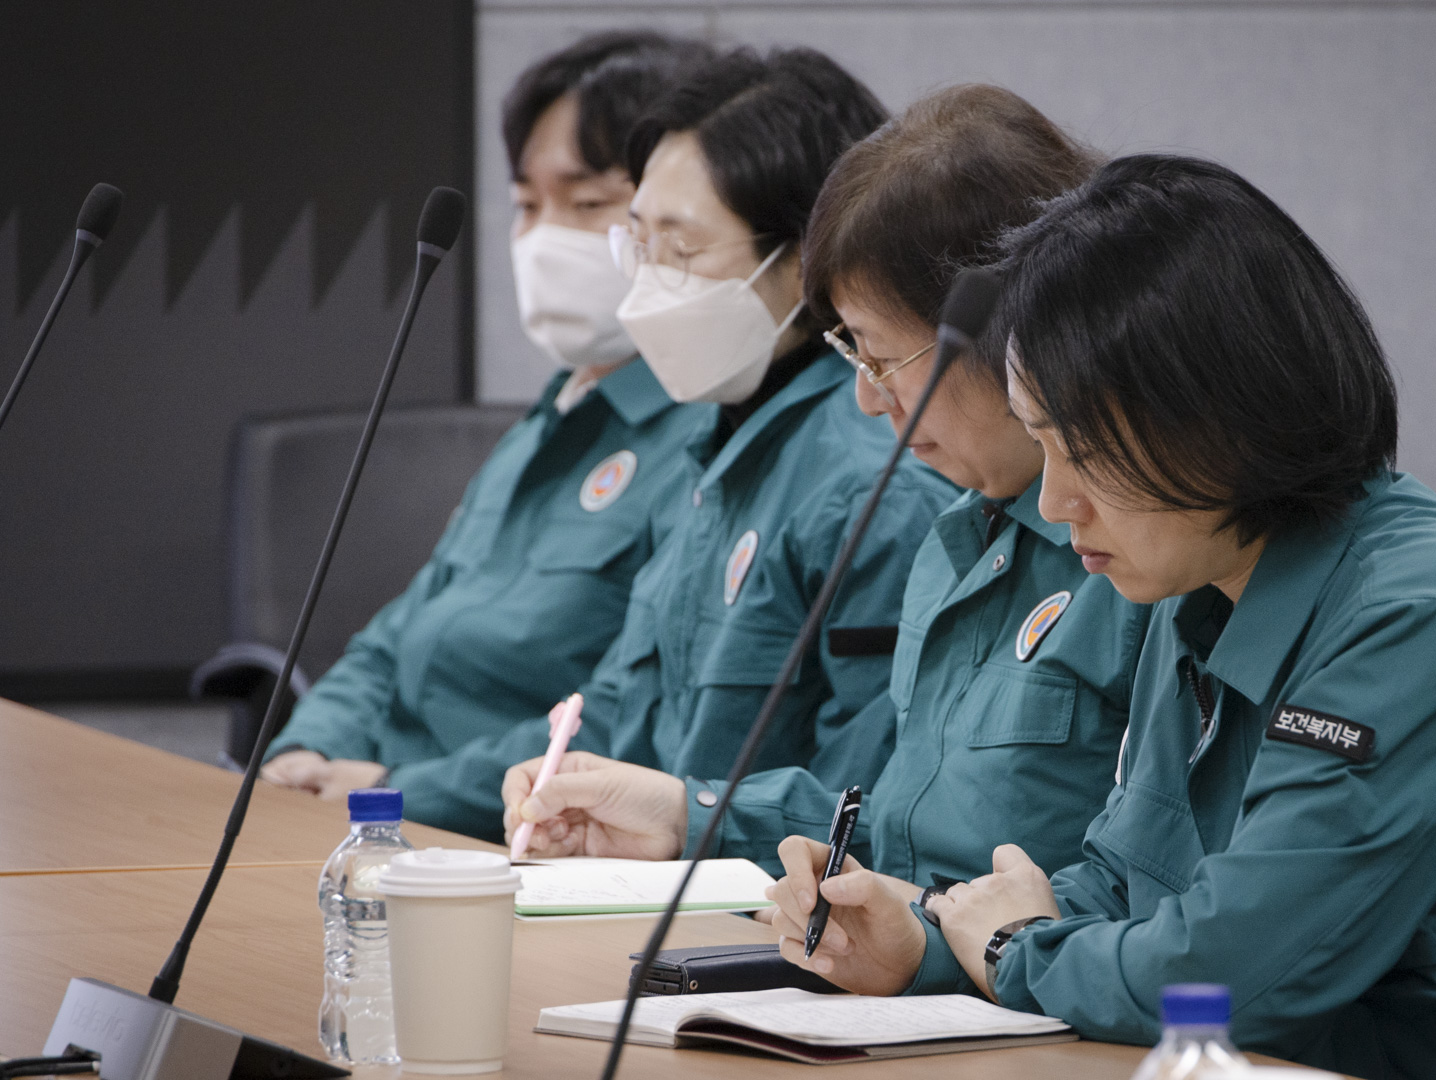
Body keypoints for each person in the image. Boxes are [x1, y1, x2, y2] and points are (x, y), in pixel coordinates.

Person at [764, 156, 1436, 1077]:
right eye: (1041, 444)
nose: (1054, 501)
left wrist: (1014, 952)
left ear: (1217, 416)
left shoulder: (1420, 617)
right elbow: (1128, 879)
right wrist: (926, 941)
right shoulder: (1202, 577)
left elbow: (1234, 977)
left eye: (1081, 449)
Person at [502, 86, 1152, 886]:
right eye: (854, 359)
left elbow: (1137, 893)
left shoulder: (1148, 554)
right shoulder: (956, 536)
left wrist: (953, 949)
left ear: (1009, 334)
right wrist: (684, 812)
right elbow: (899, 835)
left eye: (883, 359)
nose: (868, 398)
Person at [358, 46, 957, 839]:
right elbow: (623, 701)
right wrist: (567, 787)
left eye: (680, 251)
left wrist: (677, 825)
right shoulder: (717, 440)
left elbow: (865, 810)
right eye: (638, 245)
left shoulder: (868, 481)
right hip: (637, 887)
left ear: (809, 256)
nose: (649, 286)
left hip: (749, 929)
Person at [262, 32, 714, 806]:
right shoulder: (546, 418)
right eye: (526, 205)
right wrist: (309, 747)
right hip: (373, 814)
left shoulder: (703, 435)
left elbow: (626, 716)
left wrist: (399, 788)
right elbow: (398, 632)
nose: (543, 237)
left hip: (502, 833)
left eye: (587, 203)